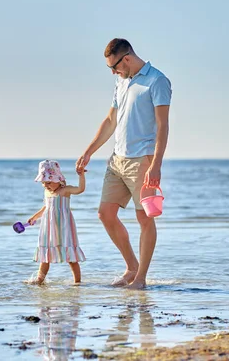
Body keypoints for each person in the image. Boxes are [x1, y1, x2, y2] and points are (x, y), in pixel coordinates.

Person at [75, 38, 172, 290]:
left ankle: (140, 279)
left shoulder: (157, 81)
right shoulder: (121, 82)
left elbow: (163, 126)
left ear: (126, 58)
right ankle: (131, 266)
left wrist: (156, 165)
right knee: (105, 214)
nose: (113, 72)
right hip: (117, 160)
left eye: (114, 67)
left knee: (145, 220)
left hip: (143, 160)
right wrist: (89, 151)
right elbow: (110, 121)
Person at [28, 160, 86, 285]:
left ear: (58, 179)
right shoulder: (47, 192)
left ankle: (77, 282)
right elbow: (46, 207)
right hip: (49, 226)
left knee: (71, 256)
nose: (45, 185)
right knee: (45, 256)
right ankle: (40, 279)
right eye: (43, 182)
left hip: (64, 227)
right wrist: (35, 217)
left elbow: (80, 189)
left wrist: (81, 175)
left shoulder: (65, 190)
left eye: (48, 182)